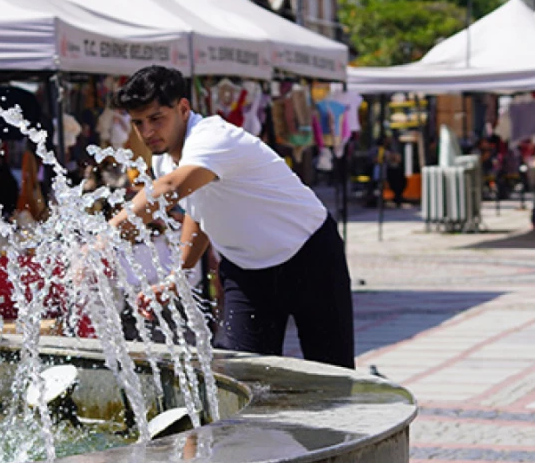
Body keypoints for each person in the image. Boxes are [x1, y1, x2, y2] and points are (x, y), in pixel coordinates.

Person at [106, 66, 354, 369]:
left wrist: (103, 237)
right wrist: (176, 277)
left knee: (333, 376)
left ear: (183, 108)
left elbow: (172, 187)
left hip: (310, 255)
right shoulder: (163, 160)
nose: (147, 132)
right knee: (241, 374)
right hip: (246, 272)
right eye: (138, 123)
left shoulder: (212, 137)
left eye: (156, 119)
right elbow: (198, 211)